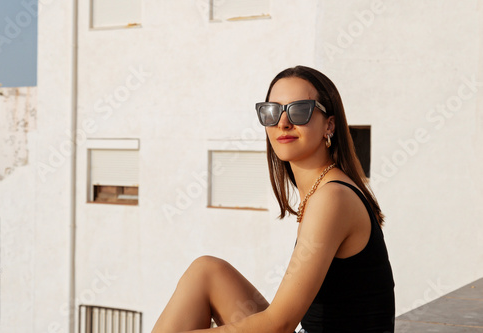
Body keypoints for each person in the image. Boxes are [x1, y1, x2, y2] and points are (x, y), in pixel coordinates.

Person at [152, 66, 395, 333]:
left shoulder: (332, 197)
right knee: (206, 270)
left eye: (299, 110)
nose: (283, 122)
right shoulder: (321, 190)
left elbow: (279, 324)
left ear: (330, 124)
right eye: (272, 111)